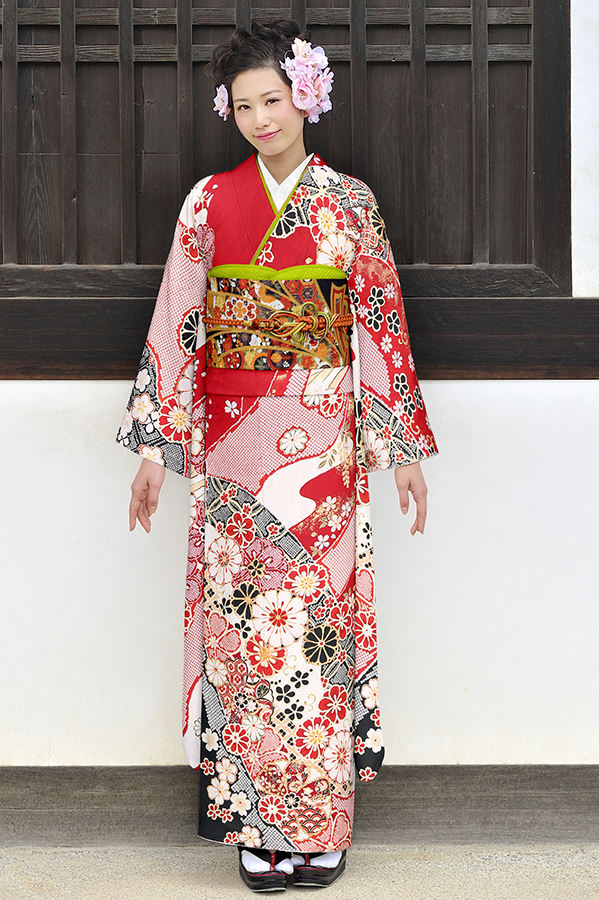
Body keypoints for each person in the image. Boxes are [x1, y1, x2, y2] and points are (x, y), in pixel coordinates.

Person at [118, 19, 438, 892]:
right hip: (230, 449)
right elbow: (178, 321)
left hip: (325, 442)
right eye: (244, 106)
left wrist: (401, 447)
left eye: (273, 100)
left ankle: (321, 825)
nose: (261, 119)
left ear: (306, 96)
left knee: (315, 632)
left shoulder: (349, 203)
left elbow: (379, 323)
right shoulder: (207, 202)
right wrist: (155, 451)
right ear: (229, 112)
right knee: (243, 637)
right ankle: (255, 824)